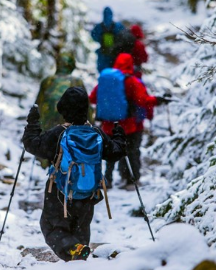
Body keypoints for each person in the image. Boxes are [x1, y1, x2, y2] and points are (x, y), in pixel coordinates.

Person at [22, 86, 126, 261]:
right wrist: (119, 136)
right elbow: (115, 152)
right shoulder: (96, 133)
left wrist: (33, 123)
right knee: (81, 229)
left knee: (51, 227)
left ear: (62, 109)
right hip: (88, 192)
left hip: (59, 192)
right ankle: (79, 255)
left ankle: (73, 250)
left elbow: (32, 144)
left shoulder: (59, 133)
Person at [89, 53, 168, 189]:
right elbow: (143, 100)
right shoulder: (131, 81)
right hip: (130, 125)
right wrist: (158, 100)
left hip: (108, 125)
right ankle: (131, 180)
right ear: (131, 64)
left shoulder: (107, 80)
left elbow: (92, 98)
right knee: (132, 151)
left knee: (109, 152)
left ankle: (107, 179)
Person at [35, 52, 86, 132]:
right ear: (72, 65)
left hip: (47, 125)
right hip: (68, 126)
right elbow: (85, 107)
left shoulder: (47, 80)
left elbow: (37, 104)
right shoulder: (77, 81)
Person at [91, 7, 125, 72]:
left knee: (103, 72)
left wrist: (100, 40)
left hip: (103, 53)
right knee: (114, 74)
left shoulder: (99, 27)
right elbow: (123, 36)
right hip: (114, 54)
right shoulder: (117, 26)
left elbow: (93, 35)